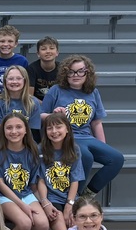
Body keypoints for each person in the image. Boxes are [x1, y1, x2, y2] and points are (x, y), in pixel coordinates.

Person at [40, 55, 124, 196]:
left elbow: (96, 122)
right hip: (66, 137)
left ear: (87, 73)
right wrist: (54, 114)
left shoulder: (93, 92)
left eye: (80, 71)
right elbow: (40, 115)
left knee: (116, 159)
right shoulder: (56, 90)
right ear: (65, 74)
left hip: (86, 137)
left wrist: (102, 145)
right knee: (86, 156)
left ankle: (88, 193)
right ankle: (74, 197)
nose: (75, 75)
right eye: (71, 72)